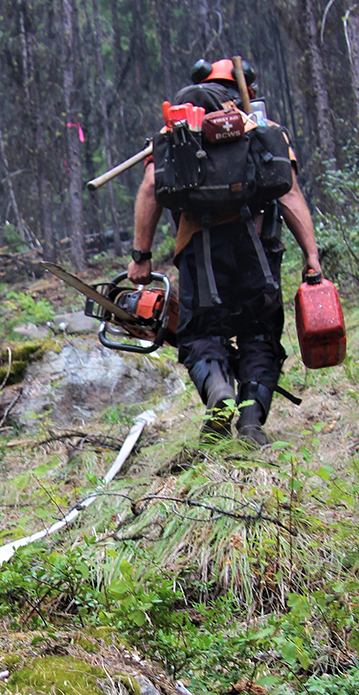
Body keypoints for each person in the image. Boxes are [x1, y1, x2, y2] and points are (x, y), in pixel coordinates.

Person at [127, 58, 322, 446]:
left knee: (201, 333)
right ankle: (251, 422)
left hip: (199, 248)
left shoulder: (178, 130)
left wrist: (141, 255)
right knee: (260, 333)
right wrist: (312, 257)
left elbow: (151, 186)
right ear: (244, 86)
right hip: (258, 248)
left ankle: (219, 393)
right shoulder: (263, 129)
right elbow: (290, 194)